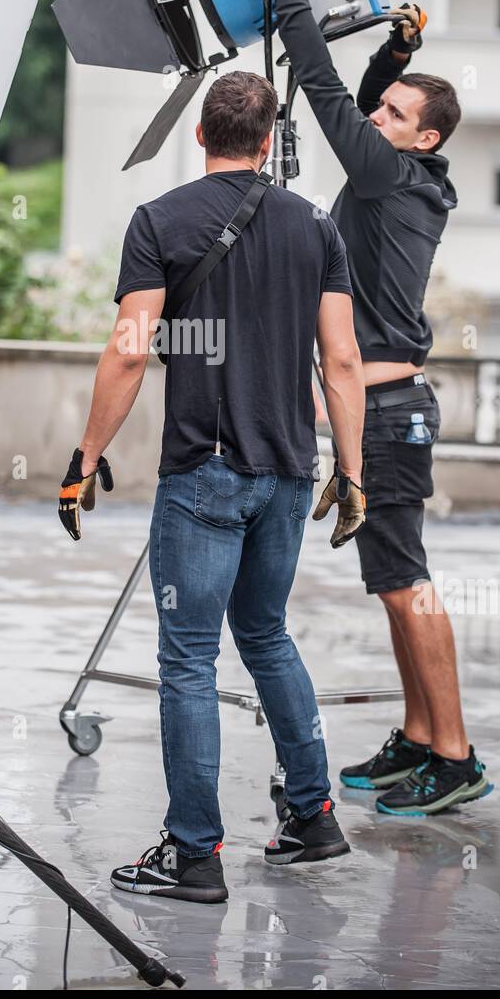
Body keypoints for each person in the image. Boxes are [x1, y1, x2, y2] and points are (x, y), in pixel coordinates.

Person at [57, 68, 366, 902]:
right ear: (267, 141)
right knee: (264, 635)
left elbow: (129, 347)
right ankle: (312, 816)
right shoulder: (314, 226)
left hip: (206, 472)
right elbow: (340, 360)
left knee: (188, 659)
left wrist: (86, 457)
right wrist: (353, 472)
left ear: (201, 134)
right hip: (288, 473)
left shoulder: (160, 221)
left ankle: (193, 857)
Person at [246, 0, 491, 817]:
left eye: (392, 114)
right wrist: (394, 50)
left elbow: (319, 87)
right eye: (383, 109)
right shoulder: (407, 174)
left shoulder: (387, 175)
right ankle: (420, 738)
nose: (377, 114)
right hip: (387, 409)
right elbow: (359, 93)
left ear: (418, 140)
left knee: (405, 582)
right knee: (392, 586)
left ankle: (453, 756)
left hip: (386, 411)